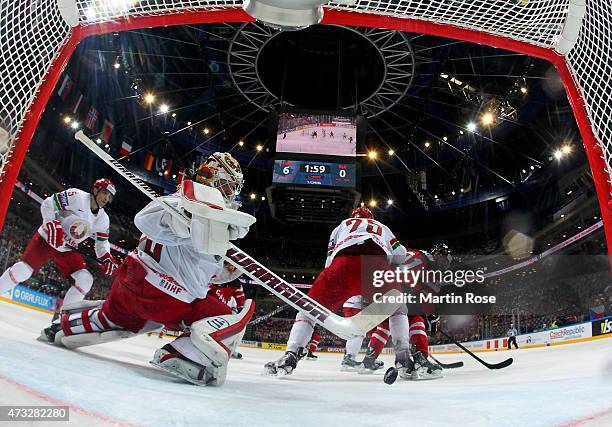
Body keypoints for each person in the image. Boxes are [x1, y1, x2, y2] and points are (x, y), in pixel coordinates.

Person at [41, 152, 254, 387]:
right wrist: (185, 220)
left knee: (113, 317)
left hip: (128, 285)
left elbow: (195, 266)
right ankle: (182, 356)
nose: (231, 193)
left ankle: (66, 325)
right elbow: (146, 220)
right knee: (232, 316)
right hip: (166, 298)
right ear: (213, 177)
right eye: (228, 185)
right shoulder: (182, 200)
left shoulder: (200, 211)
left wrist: (223, 271)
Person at [264, 206, 414, 377]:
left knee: (308, 310)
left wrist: (329, 282)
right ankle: (403, 356)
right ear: (371, 218)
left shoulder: (342, 225)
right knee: (397, 309)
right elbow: (401, 255)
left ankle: (291, 353)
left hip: (343, 264)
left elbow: (329, 259)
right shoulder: (382, 227)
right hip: (376, 265)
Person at [0, 179, 118, 316]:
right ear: (95, 190)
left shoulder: (103, 219)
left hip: (68, 248)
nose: (106, 198)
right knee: (22, 271)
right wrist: (51, 223)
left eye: (110, 196)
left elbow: (102, 243)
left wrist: (106, 257)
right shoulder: (76, 196)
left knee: (85, 279)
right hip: (48, 239)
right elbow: (48, 204)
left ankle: (61, 321)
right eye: (105, 193)